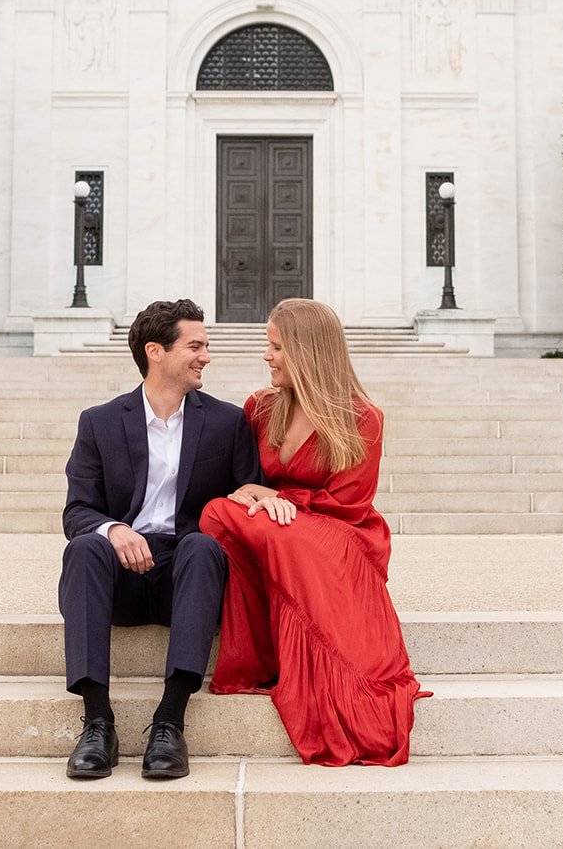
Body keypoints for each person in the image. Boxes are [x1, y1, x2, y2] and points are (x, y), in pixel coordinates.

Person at [200, 297, 429, 766]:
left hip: (340, 533)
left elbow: (349, 501)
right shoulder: (261, 409)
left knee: (268, 529)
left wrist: (281, 501)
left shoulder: (362, 418)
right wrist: (254, 493)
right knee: (216, 516)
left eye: (277, 347)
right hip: (275, 526)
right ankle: (264, 653)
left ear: (308, 353)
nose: (267, 356)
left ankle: (338, 678)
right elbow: (245, 480)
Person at [59, 299, 263, 780]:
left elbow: (247, 495)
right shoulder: (100, 422)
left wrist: (259, 495)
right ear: (156, 351)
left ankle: (170, 722)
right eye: (195, 346)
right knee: (85, 545)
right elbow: (77, 511)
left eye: (206, 346)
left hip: (187, 580)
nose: (206, 356)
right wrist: (115, 529)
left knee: (202, 545)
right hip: (120, 579)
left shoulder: (227, 422)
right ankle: (97, 723)